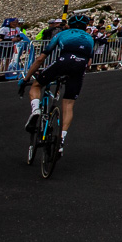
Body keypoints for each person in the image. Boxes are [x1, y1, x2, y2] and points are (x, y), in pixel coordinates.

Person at [19, 12, 94, 154]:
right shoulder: (90, 39)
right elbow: (89, 63)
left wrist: (26, 78)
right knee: (69, 104)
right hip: (79, 67)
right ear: (86, 26)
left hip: (63, 62)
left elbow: (41, 59)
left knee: (36, 86)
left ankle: (35, 110)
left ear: (69, 24)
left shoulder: (62, 34)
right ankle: (62, 139)